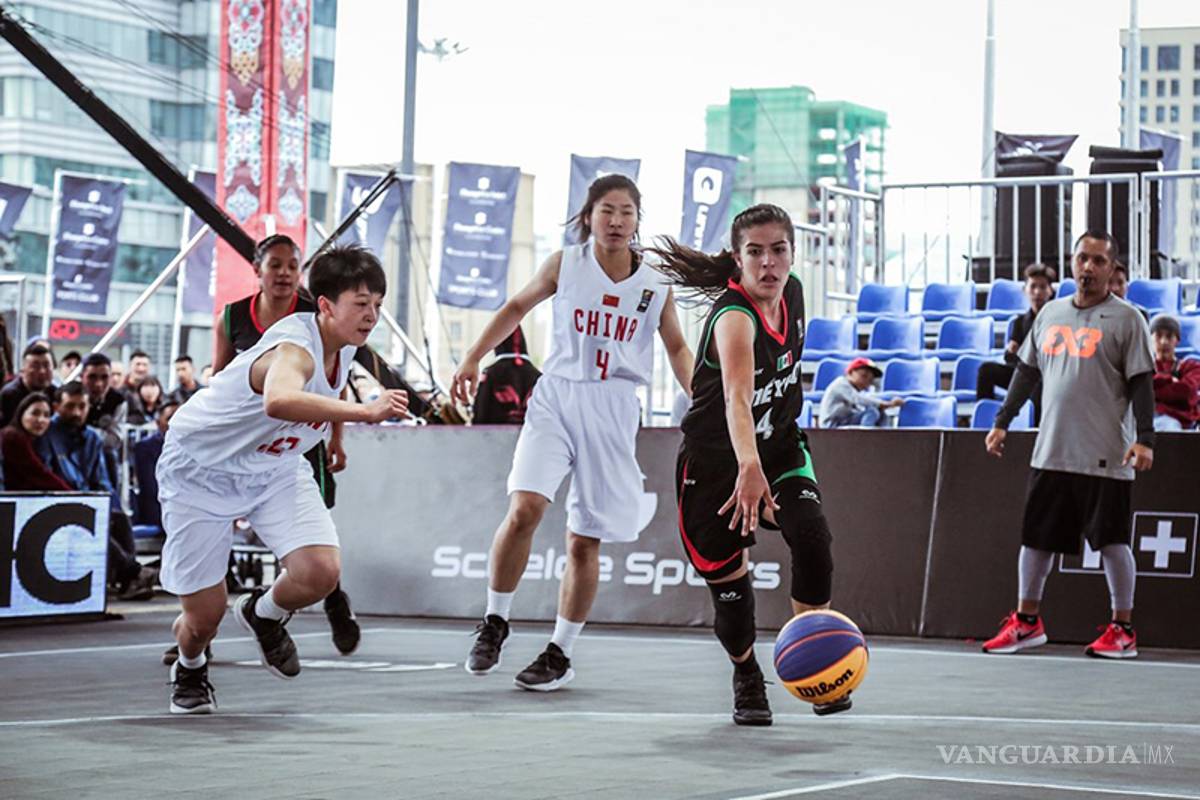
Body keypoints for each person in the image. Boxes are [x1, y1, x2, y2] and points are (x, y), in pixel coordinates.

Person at [453, 175, 693, 691]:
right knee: (525, 508)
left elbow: (675, 347)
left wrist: (705, 397)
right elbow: (517, 307)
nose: (616, 220)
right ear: (588, 216)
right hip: (557, 394)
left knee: (584, 539)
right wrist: (473, 355)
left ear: (636, 220)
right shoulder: (566, 263)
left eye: (626, 211)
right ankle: (494, 620)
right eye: (607, 210)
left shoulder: (654, 282)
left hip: (613, 407)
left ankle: (560, 651)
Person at [157, 244, 406, 714]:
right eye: (361, 304)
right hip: (201, 472)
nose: (372, 315)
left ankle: (262, 614)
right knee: (203, 617)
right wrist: (363, 412)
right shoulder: (292, 347)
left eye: (378, 303)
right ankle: (189, 665)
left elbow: (322, 395)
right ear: (327, 306)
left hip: (272, 469)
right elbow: (279, 400)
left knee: (320, 572)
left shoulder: (345, 346)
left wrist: (337, 435)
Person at [650, 203, 845, 725]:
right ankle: (746, 673)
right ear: (737, 260)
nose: (768, 264)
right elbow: (737, 399)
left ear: (792, 254)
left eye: (778, 250)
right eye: (755, 252)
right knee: (732, 595)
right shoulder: (735, 319)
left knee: (812, 537)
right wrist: (747, 467)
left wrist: (762, 462)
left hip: (779, 447)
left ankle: (817, 660)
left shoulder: (796, 294)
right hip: (715, 466)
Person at [983, 230, 1155, 659]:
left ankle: (1123, 628)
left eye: (1098, 261)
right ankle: (1027, 622)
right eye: (1082, 259)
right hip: (1052, 449)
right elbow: (1026, 372)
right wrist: (1003, 421)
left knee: (1113, 541)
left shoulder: (1128, 319)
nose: (1088, 268)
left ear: (1112, 269)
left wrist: (1145, 441)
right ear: (1072, 262)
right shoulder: (1051, 313)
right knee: (1036, 539)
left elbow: (1141, 384)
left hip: (1105, 453)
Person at [197, 233, 362, 659]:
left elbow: (334, 387)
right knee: (210, 540)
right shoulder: (232, 318)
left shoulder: (319, 316)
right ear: (257, 270)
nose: (285, 273)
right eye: (276, 265)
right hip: (242, 441)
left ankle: (328, 597)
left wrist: (336, 438)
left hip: (299, 438)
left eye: (293, 265)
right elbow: (218, 374)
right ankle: (199, 632)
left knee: (315, 532)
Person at [39, 381, 157, 601]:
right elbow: (47, 473)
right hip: (59, 502)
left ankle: (127, 579)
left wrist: (104, 506)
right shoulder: (48, 433)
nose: (76, 412)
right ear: (57, 407)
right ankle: (134, 573)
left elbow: (101, 480)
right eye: (70, 406)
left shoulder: (93, 437)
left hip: (89, 500)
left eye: (81, 407)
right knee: (90, 521)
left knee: (119, 518)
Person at [977, 263, 1056, 420]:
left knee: (1037, 385)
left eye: (1042, 287)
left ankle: (1035, 430)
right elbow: (1010, 359)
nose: (1037, 292)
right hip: (1023, 373)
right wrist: (1010, 352)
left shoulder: (1056, 321)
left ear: (1050, 291)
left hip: (1047, 377)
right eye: (1033, 286)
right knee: (986, 371)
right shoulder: (1019, 322)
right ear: (1025, 290)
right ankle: (986, 419)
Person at [1, 392, 72, 491]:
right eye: (35, 413)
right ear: (22, 413)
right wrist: (72, 495)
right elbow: (38, 474)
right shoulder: (12, 437)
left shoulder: (35, 440)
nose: (40, 420)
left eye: (46, 415)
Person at [471, 325, 541, 425]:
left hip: (494, 437)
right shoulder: (539, 376)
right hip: (530, 437)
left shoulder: (490, 373)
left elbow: (480, 415)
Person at [1149, 315, 1200, 431]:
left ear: (1177, 340)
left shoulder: (1191, 366)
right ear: (1150, 339)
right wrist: (1171, 380)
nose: (1163, 342)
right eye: (1158, 336)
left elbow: (1186, 391)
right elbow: (1140, 391)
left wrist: (1154, 384)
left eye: (1169, 336)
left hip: (1177, 423)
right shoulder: (1143, 366)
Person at [818, 357, 901, 428]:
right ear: (850, 373)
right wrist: (886, 404)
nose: (867, 381)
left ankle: (886, 439)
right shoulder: (841, 383)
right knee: (872, 411)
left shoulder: (855, 390)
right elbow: (857, 399)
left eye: (870, 380)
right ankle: (864, 438)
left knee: (880, 413)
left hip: (846, 420)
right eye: (864, 376)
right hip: (832, 424)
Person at [80, 352, 128, 455]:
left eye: (104, 377)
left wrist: (83, 431)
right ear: (82, 377)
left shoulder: (118, 400)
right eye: (92, 377)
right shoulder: (71, 396)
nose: (98, 384)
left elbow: (114, 440)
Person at [0, 343, 55, 427]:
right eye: (35, 366)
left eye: (46, 365)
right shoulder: (9, 394)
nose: (42, 371)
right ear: (23, 370)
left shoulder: (55, 392)